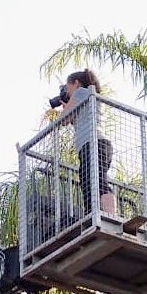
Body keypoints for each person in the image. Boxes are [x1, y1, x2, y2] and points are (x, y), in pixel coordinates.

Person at [58, 69, 117, 217]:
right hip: (92, 145)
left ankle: (111, 216)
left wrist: (66, 108)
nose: (67, 92)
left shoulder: (81, 92)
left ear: (76, 83)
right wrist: (67, 107)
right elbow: (66, 121)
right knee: (87, 182)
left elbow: (62, 119)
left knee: (98, 180)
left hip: (94, 143)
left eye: (68, 88)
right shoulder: (86, 97)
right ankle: (92, 214)